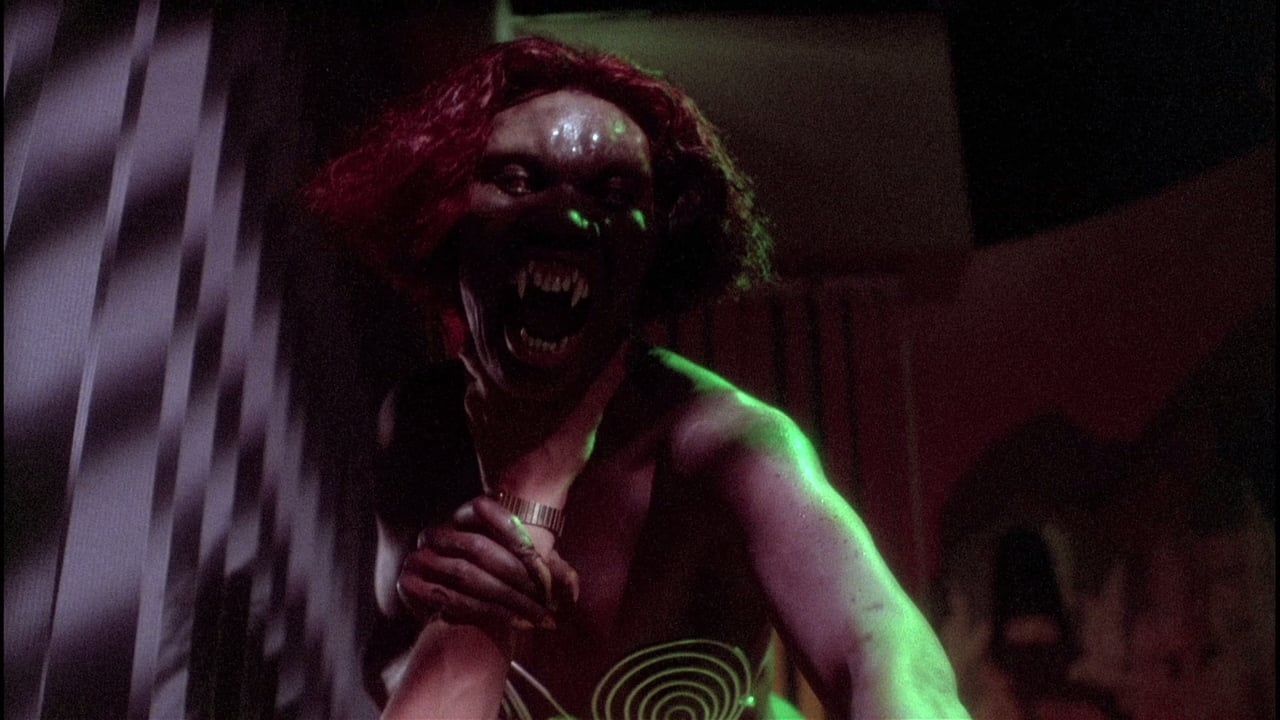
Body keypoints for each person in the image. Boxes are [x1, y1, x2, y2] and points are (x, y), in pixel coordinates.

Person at [308, 36, 968, 720]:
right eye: (517, 181)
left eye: (614, 193)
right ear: (449, 221)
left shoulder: (726, 447)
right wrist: (490, 560)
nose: (565, 218)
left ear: (656, 247)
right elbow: (395, 677)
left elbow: (882, 649)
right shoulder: (422, 425)